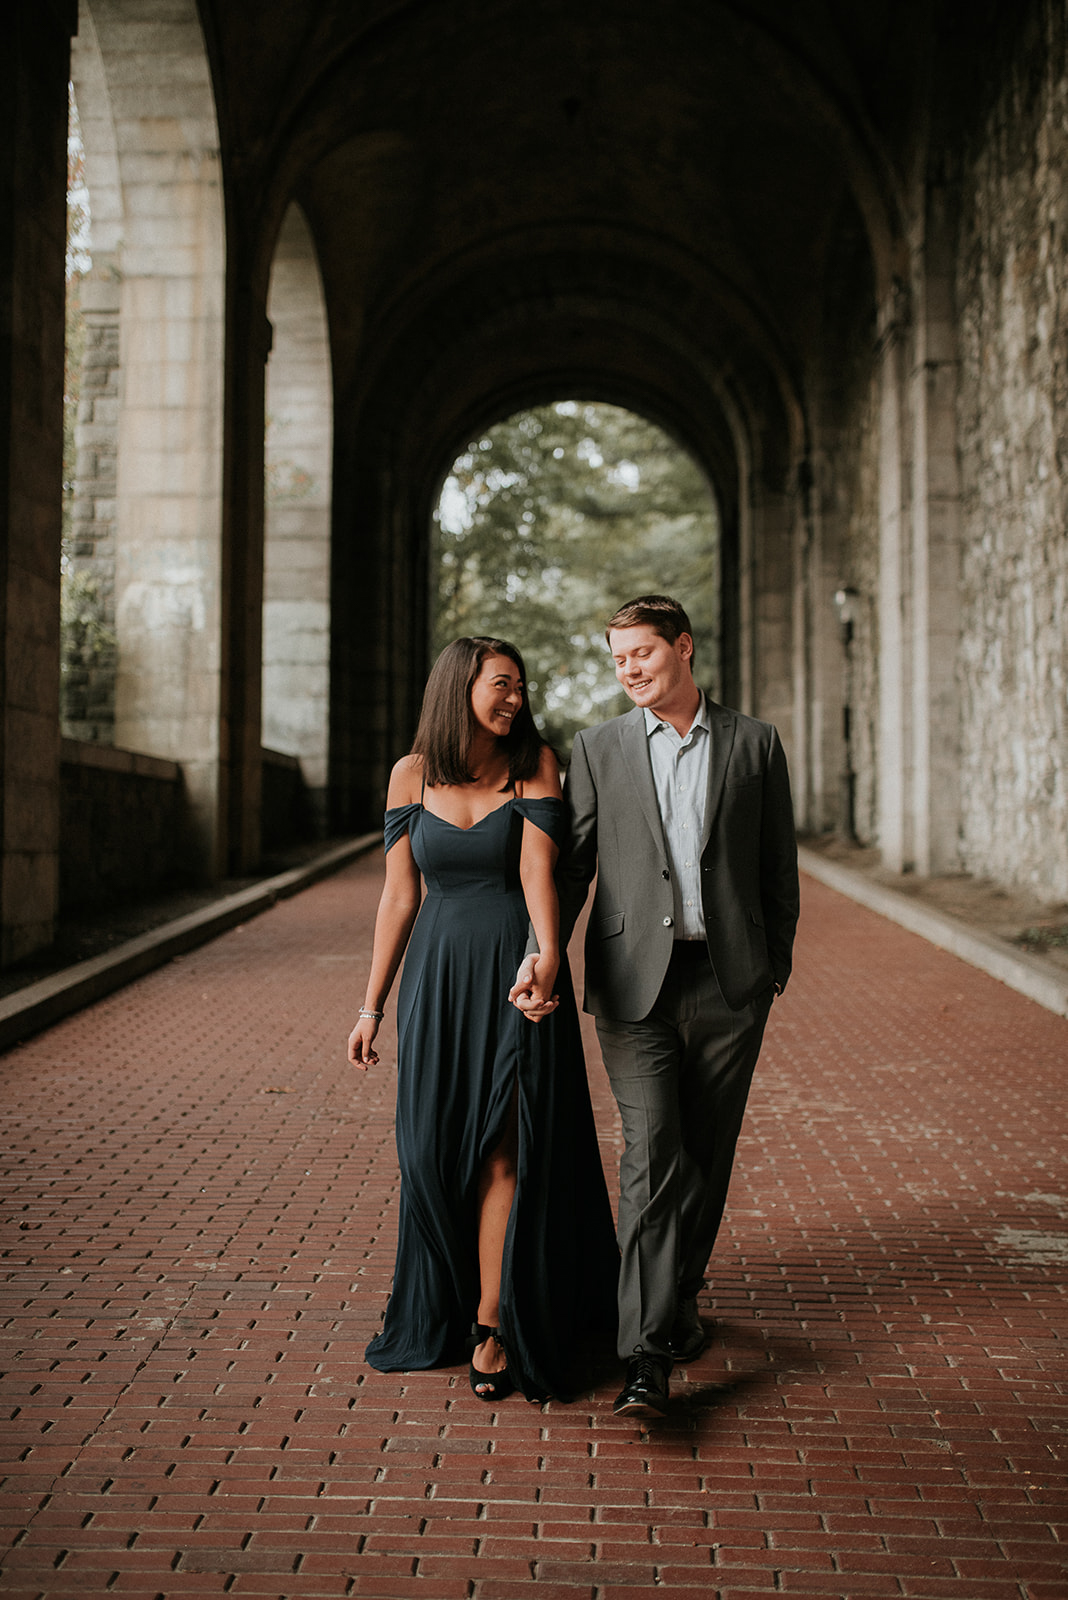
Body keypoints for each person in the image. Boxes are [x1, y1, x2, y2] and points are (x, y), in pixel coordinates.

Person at [512, 595, 799, 1418]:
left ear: (684, 649)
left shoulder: (754, 743)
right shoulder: (597, 748)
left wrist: (770, 967)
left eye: (642, 652)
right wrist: (547, 952)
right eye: (618, 658)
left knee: (704, 1158)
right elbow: (574, 867)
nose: (629, 668)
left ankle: (676, 1302)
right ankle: (645, 1355)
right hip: (634, 984)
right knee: (652, 1153)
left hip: (729, 983)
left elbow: (778, 867)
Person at [348, 636, 618, 1403]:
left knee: (505, 1148)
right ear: (458, 685)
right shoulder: (409, 775)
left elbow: (540, 873)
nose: (516, 698)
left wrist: (547, 956)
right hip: (435, 978)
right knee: (428, 1151)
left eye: (521, 686)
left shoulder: (534, 763)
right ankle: (441, 1301)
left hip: (511, 972)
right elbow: (399, 896)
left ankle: (493, 1326)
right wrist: (371, 1006)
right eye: (502, 684)